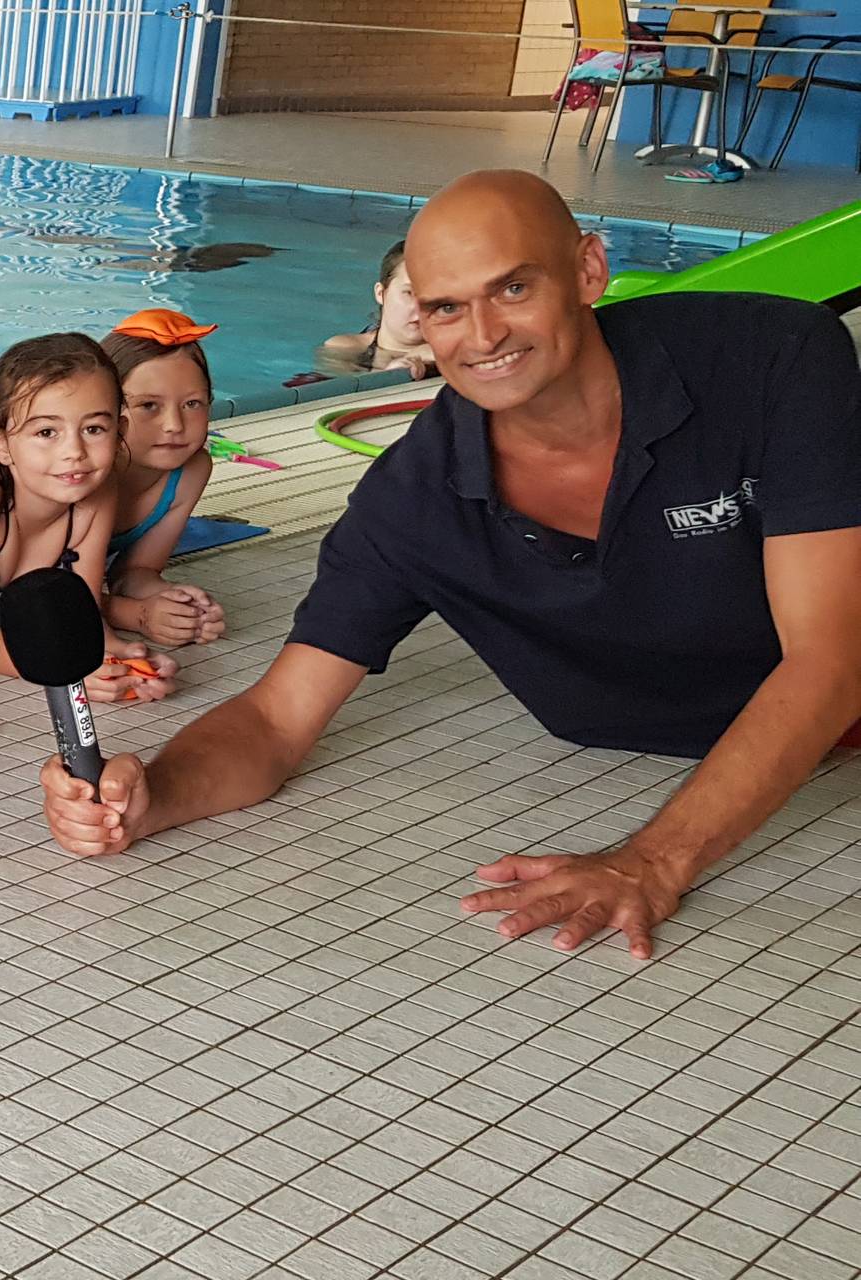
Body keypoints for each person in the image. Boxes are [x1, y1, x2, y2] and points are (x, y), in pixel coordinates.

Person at [43, 170, 861, 959]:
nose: (484, 335)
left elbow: (832, 659)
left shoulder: (769, 360)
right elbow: (276, 719)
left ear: (589, 269)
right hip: (647, 755)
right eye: (445, 308)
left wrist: (652, 860)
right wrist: (152, 795)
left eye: (514, 288)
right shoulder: (417, 498)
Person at [0, 334, 178, 702]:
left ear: (119, 431)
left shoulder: (96, 488)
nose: (74, 451)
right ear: (0, 445)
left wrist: (123, 659)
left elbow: (82, 608)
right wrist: (65, 673)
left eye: (93, 429)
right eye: (46, 432)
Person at [100, 309, 229, 648]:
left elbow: (134, 572)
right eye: (148, 405)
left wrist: (176, 602)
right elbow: (37, 589)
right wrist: (138, 616)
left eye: (192, 404)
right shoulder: (82, 473)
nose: (174, 425)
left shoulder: (190, 471)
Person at [318, 240, 438, 379]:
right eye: (409, 293)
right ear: (380, 293)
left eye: (435, 296)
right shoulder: (345, 350)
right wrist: (391, 374)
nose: (421, 307)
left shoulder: (453, 354)